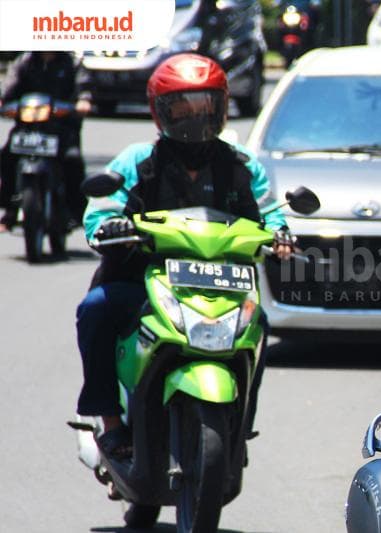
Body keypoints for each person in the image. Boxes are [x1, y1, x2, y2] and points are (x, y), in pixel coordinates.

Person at [75, 53, 293, 459]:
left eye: (205, 105)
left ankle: (239, 427)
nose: (195, 117)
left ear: (222, 107)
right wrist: (109, 228)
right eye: (182, 107)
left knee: (259, 324)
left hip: (224, 286)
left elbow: (270, 211)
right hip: (139, 280)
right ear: (161, 112)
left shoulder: (243, 165)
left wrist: (281, 235)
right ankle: (110, 421)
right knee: (96, 308)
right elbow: (102, 208)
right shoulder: (136, 160)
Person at [0, 51, 92, 232]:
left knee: (72, 160)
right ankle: (10, 209)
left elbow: (83, 88)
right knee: (6, 158)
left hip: (61, 127)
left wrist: (83, 101)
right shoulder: (25, 61)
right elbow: (9, 87)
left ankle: (75, 211)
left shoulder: (71, 63)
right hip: (27, 127)